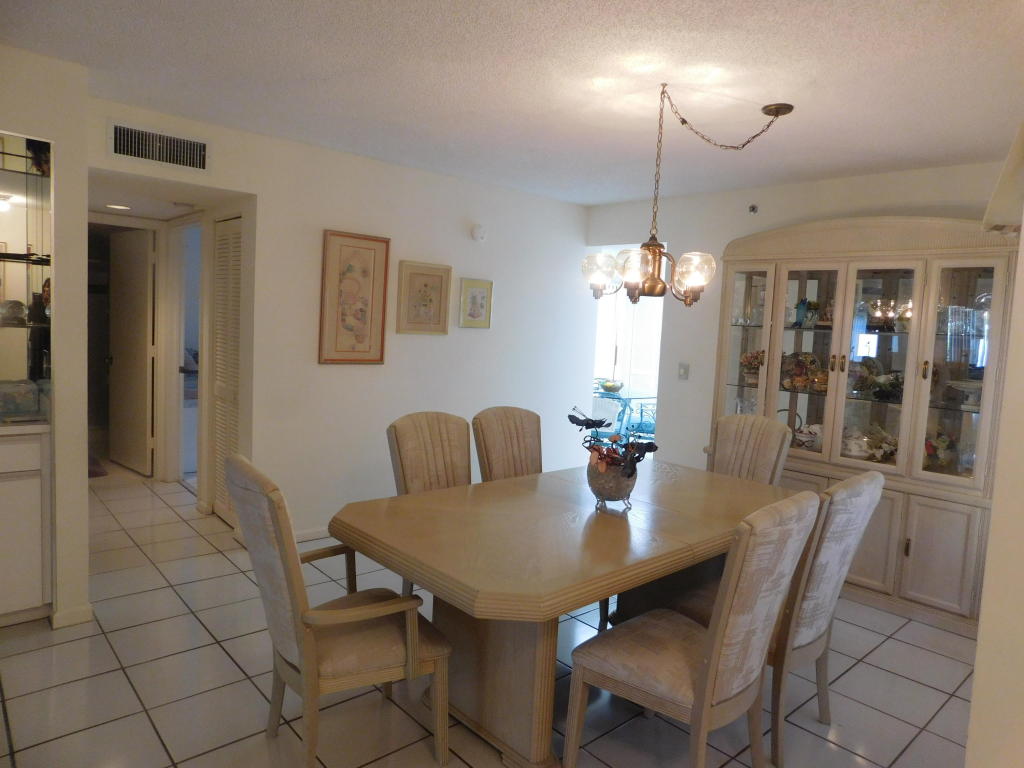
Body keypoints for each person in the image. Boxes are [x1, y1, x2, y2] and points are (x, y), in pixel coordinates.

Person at [28, 277, 50, 380]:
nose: (47, 289)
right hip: (37, 337)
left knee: (50, 364)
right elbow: (30, 318)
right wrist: (40, 303)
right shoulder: (37, 302)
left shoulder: (57, 303)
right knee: (36, 363)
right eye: (45, 287)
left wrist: (50, 303)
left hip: (49, 337)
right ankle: (36, 380)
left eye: (49, 287)